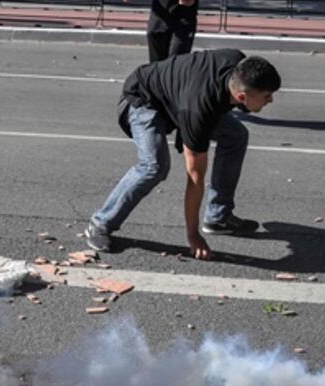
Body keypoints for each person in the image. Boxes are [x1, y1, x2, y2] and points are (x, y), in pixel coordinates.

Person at [84, 50, 280, 260]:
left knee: (236, 135)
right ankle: (100, 224)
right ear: (241, 97)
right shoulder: (198, 111)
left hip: (180, 98)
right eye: (266, 96)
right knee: (154, 167)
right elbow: (195, 178)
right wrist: (193, 235)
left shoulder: (238, 63)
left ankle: (218, 217)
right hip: (143, 98)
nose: (271, 100)